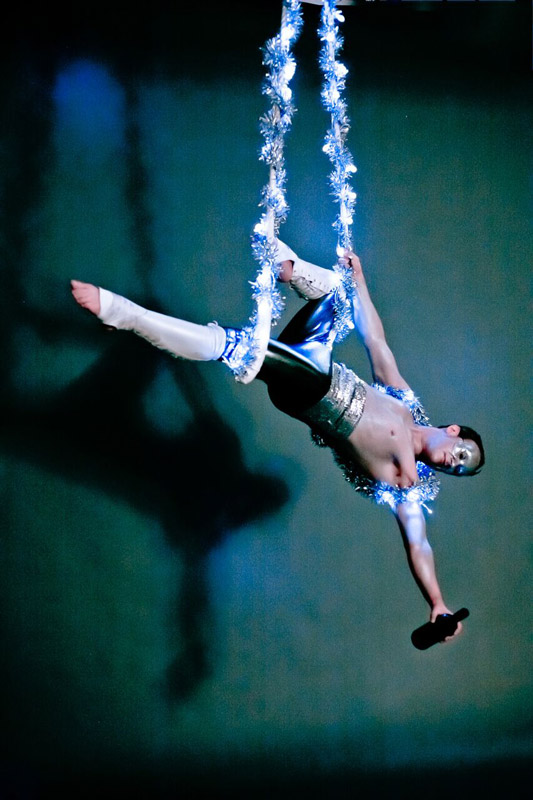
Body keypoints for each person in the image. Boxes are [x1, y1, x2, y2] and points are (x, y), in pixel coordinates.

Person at [71, 240, 484, 641]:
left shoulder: (406, 483)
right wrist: (360, 283)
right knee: (340, 292)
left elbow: (418, 544)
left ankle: (127, 315)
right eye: (463, 453)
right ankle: (286, 265)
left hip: (309, 388)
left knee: (237, 347)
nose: (456, 463)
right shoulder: (403, 402)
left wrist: (437, 601)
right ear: (454, 430)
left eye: (461, 470)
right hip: (313, 353)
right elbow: (376, 342)